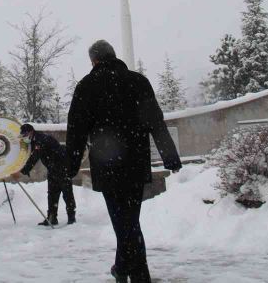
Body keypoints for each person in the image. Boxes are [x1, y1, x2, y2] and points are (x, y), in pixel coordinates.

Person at [67, 40, 182, 283]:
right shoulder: (138, 81)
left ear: (94, 61)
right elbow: (156, 122)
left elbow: (76, 130)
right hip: (136, 164)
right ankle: (122, 268)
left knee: (124, 223)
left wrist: (71, 164)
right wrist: (170, 157)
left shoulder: (87, 86)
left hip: (107, 166)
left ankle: (138, 275)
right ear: (113, 55)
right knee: (129, 221)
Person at [11, 123, 76, 226]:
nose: (24, 138)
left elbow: (34, 157)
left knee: (67, 194)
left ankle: (71, 218)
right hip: (52, 169)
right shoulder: (35, 140)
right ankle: (52, 218)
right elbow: (31, 154)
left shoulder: (41, 140)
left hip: (63, 168)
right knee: (52, 195)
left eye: (25, 135)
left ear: (31, 132)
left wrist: (21, 171)